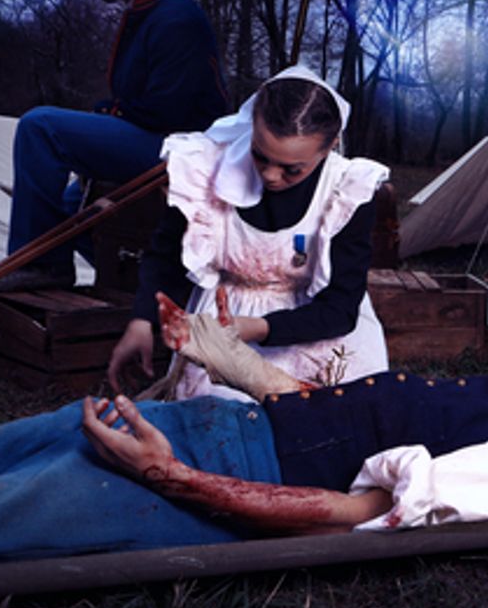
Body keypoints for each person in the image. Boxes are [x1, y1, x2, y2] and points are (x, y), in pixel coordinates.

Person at [0, 302, 488, 568]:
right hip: (217, 422)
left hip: (203, 487)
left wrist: (170, 477)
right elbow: (337, 413)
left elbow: (360, 515)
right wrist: (225, 358)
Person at [107, 65, 388, 399]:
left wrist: (254, 329)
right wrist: (142, 320)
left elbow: (340, 309)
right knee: (228, 415)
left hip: (314, 327)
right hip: (225, 319)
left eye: (292, 169)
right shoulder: (206, 167)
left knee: (327, 419)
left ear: (330, 146)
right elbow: (168, 255)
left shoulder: (346, 192)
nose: (270, 175)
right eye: (260, 155)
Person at [0, 0, 229, 291]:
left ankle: (42, 265)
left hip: (183, 152)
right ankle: (129, 288)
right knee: (72, 210)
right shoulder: (148, 11)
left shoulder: (176, 16)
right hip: (162, 142)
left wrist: (109, 111)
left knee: (41, 126)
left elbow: (171, 111)